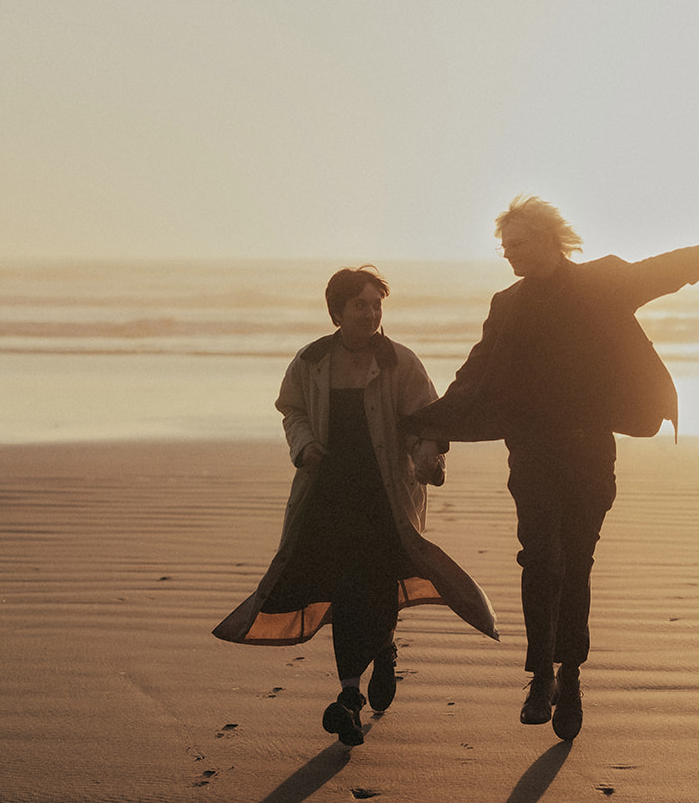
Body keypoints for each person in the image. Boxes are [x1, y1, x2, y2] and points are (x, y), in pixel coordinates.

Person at [401, 197, 699, 741]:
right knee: (541, 558)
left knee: (577, 562)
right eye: (504, 247)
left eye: (517, 244)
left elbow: (676, 268)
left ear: (547, 238)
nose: (509, 255)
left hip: (589, 452)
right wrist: (429, 427)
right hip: (532, 452)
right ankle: (540, 675)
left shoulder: (603, 282)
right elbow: (476, 376)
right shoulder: (507, 304)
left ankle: (571, 674)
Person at [213, 266, 498, 747]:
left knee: (379, 585)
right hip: (328, 495)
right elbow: (292, 409)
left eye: (376, 305)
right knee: (345, 589)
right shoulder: (311, 360)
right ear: (337, 312)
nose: (370, 313)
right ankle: (348, 696)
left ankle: (384, 649)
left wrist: (430, 453)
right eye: (360, 305)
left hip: (386, 496)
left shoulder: (400, 362)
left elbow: (427, 418)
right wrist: (303, 446)